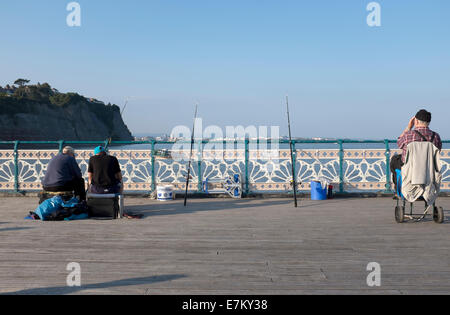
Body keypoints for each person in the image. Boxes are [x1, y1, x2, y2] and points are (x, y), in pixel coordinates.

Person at [390, 109, 442, 193]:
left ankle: (398, 190)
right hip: (429, 170)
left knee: (395, 159)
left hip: (411, 169)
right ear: (429, 122)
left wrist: (408, 127)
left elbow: (399, 143)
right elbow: (438, 152)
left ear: (416, 121)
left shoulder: (408, 134)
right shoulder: (436, 136)